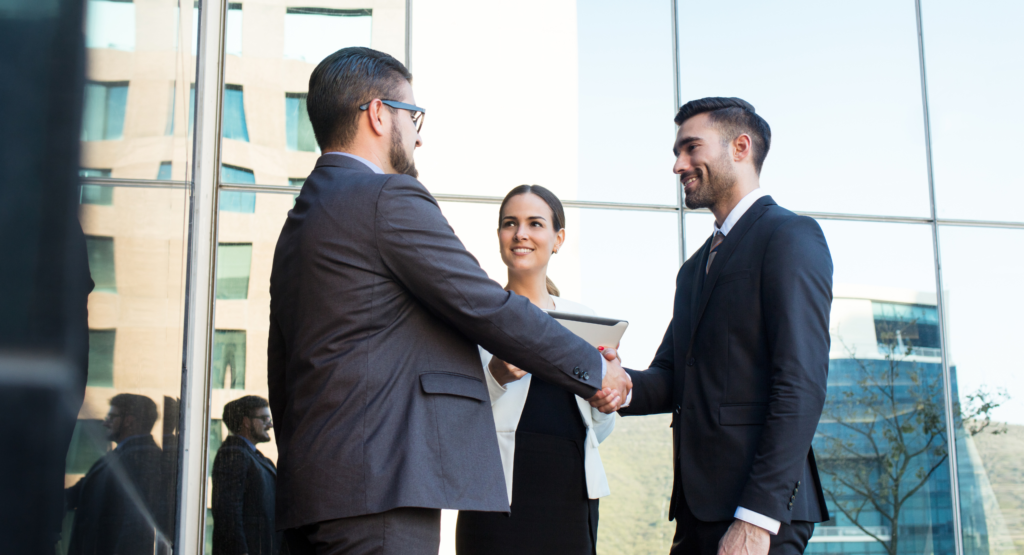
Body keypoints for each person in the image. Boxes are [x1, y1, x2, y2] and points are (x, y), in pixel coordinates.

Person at [267, 47, 631, 555]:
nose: (420, 134)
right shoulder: (387, 198)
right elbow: (486, 307)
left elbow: (282, 368)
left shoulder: (300, 222)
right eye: (413, 116)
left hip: (317, 491)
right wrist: (594, 368)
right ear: (378, 114)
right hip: (380, 493)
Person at [612, 97, 832, 555]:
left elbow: (800, 384)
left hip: (758, 514)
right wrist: (616, 383)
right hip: (696, 512)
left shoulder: (790, 235)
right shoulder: (694, 269)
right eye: (677, 152)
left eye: (691, 148)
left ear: (740, 147)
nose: (678, 165)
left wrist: (756, 520)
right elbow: (674, 378)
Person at [455, 186, 615, 555]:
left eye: (535, 223)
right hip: (496, 495)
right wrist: (495, 376)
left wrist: (604, 399)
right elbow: (453, 420)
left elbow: (599, 429)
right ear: (499, 236)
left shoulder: (587, 321)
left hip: (573, 495)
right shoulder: (472, 316)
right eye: (510, 223)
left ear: (558, 239)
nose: (520, 233)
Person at [65, 393, 164, 555]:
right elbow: (77, 494)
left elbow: (134, 528)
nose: (105, 423)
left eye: (111, 417)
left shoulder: (142, 459)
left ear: (128, 421)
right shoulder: (123, 456)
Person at [212, 396, 286, 555]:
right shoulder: (232, 454)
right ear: (246, 422)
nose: (270, 424)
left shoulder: (255, 457)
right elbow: (228, 513)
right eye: (265, 418)